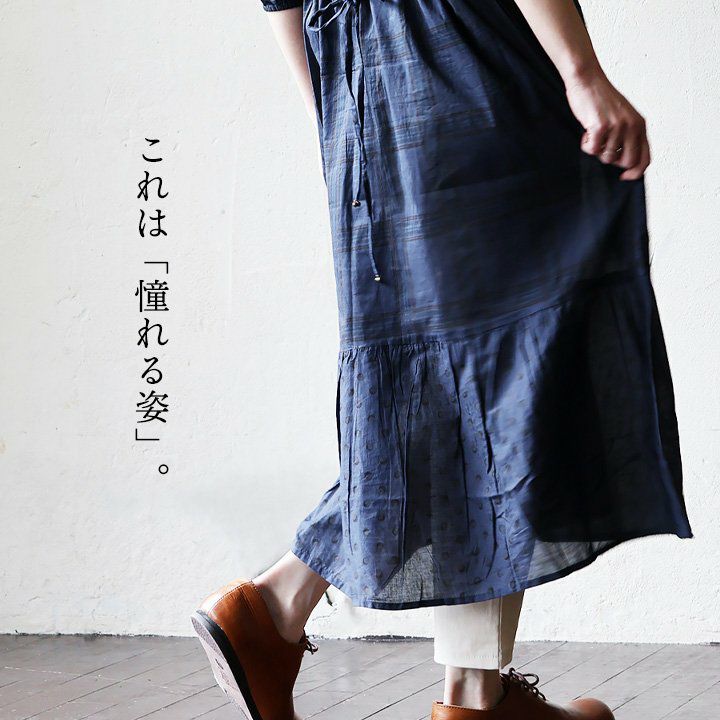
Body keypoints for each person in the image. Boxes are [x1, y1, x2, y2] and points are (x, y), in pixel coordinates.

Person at [191, 1, 693, 718]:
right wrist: (581, 74)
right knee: (507, 366)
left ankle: (466, 688)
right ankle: (291, 608)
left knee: (454, 377)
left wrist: (338, 112)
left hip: (357, 85)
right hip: (464, 56)